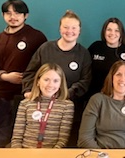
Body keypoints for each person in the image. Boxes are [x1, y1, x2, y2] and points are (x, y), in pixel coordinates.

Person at [23, 10, 92, 146]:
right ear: (60, 28)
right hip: (41, 107)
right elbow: (30, 72)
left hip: (70, 108)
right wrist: (29, 90)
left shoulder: (83, 53)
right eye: (66, 27)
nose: (69, 31)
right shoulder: (45, 48)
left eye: (74, 28)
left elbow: (85, 81)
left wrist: (65, 95)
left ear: (79, 30)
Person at [0, 0, 47, 102]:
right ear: (3, 15)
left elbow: (44, 65)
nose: (12, 17)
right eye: (8, 13)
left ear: (26, 15)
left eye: (17, 13)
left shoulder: (37, 37)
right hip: (1, 93)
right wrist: (5, 76)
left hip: (28, 93)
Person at [11, 63, 74, 148]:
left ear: (60, 84)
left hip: (53, 153)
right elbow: (16, 138)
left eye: (56, 81)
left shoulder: (67, 106)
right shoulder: (25, 104)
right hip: (25, 152)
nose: (50, 84)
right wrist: (19, 153)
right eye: (46, 80)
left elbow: (63, 140)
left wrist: (51, 154)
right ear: (38, 81)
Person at [87, 17, 125, 96]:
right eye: (109, 30)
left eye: (116, 30)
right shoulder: (95, 47)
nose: (112, 33)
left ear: (121, 33)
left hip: (119, 97)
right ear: (104, 31)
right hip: (95, 95)